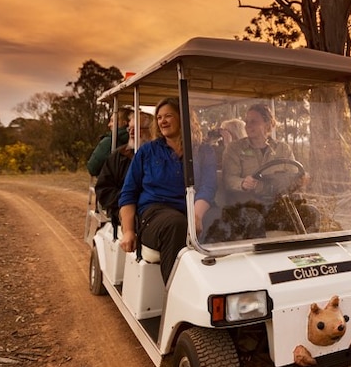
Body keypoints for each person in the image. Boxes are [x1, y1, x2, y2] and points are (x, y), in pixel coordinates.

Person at [118, 98, 217, 283]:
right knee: (176, 225)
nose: (162, 121)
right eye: (159, 117)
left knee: (236, 220)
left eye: (168, 116)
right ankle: (177, 296)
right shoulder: (147, 151)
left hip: (194, 209)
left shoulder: (204, 150)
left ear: (183, 118)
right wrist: (128, 231)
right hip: (155, 213)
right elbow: (128, 193)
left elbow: (208, 186)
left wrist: (196, 215)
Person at [220, 103, 317, 236]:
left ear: (268, 124)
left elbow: (292, 178)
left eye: (254, 121)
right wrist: (243, 183)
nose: (248, 125)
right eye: (247, 121)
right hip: (245, 206)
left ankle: (304, 251)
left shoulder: (283, 149)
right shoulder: (234, 149)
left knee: (311, 213)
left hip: (275, 205)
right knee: (254, 218)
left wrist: (300, 180)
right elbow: (229, 179)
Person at [94, 111, 154, 232]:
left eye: (138, 128)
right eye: (130, 128)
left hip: (155, 209)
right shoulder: (118, 156)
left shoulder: (160, 155)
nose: (132, 132)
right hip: (122, 209)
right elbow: (103, 190)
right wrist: (130, 201)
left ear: (152, 130)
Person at [87, 109, 131, 176]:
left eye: (112, 121)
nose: (109, 124)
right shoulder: (142, 141)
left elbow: (92, 168)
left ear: (124, 123)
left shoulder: (109, 141)